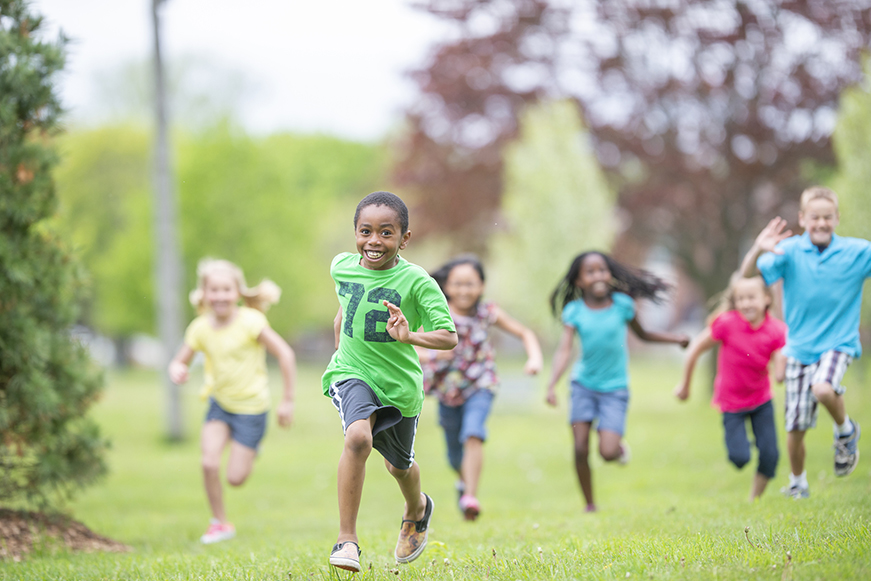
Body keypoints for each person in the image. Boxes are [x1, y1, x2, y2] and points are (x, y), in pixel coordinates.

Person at [322, 191, 457, 573]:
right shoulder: (341, 267)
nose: (374, 241)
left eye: (386, 232)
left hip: (399, 388)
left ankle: (417, 507)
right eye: (366, 231)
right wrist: (340, 351)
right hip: (351, 373)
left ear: (405, 238)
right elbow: (345, 307)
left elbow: (448, 336)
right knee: (358, 438)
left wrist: (410, 336)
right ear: (355, 233)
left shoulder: (417, 281)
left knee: (399, 467)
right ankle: (347, 540)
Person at [740, 186, 869, 499]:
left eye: (827, 217)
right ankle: (798, 483)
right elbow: (745, 277)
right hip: (799, 348)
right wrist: (759, 248)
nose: (821, 223)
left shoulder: (857, 252)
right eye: (815, 217)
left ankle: (845, 430)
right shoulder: (790, 252)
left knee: (823, 388)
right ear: (803, 219)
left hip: (839, 342)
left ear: (837, 218)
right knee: (795, 429)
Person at [545, 251, 689, 512]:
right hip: (583, 386)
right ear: (579, 281)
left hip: (614, 389)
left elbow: (643, 335)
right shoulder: (574, 310)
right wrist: (552, 383)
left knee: (607, 452)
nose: (598, 275)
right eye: (590, 272)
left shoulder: (622, 304)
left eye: (602, 270)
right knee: (579, 447)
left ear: (609, 274)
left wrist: (675, 339)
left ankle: (619, 449)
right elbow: (565, 350)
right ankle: (589, 504)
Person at [168, 258, 296, 544]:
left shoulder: (251, 321)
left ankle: (251, 448)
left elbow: (285, 354)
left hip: (252, 409)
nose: (220, 296)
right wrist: (178, 369)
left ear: (237, 293)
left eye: (226, 289)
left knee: (235, 478)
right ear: (204, 294)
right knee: (209, 463)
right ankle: (220, 523)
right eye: (214, 290)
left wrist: (288, 400)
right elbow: (179, 361)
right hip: (220, 405)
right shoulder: (199, 328)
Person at [420, 255, 543, 521]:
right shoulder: (437, 312)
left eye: (471, 284)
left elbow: (525, 333)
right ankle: (463, 483)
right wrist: (431, 356)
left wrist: (534, 358)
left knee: (473, 433)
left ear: (482, 286)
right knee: (454, 456)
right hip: (447, 390)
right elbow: (408, 346)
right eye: (458, 284)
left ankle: (470, 497)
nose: (464, 290)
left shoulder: (487, 312)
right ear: (447, 286)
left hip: (481, 384)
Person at [674, 274, 787, 500]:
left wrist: (782, 371)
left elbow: (780, 361)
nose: (745, 303)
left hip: (761, 399)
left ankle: (754, 499)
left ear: (766, 299)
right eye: (740, 299)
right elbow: (695, 348)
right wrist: (685, 385)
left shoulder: (777, 330)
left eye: (751, 297)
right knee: (739, 458)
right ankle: (742, 445)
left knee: (770, 455)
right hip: (731, 403)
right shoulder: (727, 323)